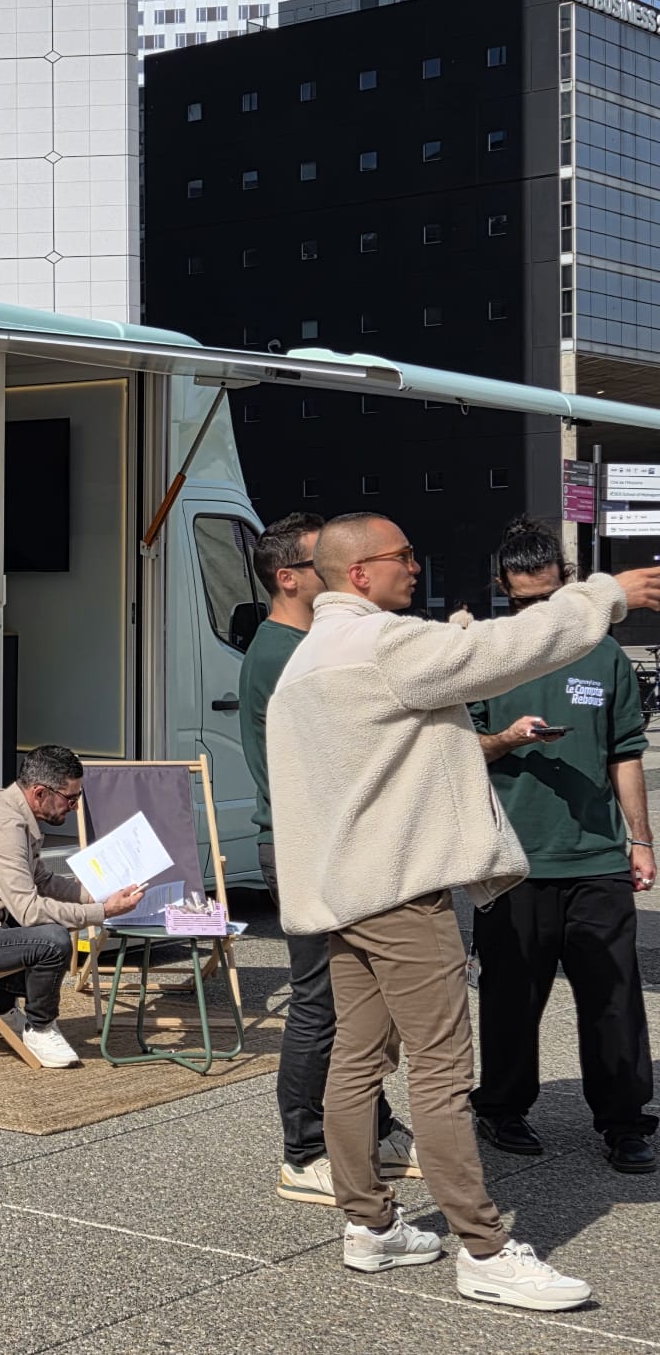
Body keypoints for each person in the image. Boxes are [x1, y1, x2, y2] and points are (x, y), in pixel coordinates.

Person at [267, 511, 660, 1311]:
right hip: (402, 894)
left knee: (356, 1062)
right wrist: (602, 596)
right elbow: (502, 649)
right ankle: (483, 1247)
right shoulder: (384, 647)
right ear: (361, 574)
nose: (417, 565)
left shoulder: (310, 660)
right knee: (443, 1074)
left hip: (341, 894)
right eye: (403, 555)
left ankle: (370, 1228)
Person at [466, 519, 658, 1175]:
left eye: (547, 600)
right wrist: (507, 739)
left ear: (567, 587)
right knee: (511, 995)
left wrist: (641, 839)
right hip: (512, 858)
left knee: (612, 995)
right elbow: (458, 749)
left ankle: (626, 1121)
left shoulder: (602, 652)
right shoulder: (485, 652)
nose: (537, 613)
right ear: (501, 590)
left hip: (596, 855)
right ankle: (501, 1109)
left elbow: (624, 752)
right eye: (522, 603)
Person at [239, 512, 416, 1205]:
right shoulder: (286, 653)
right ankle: (304, 1149)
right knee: (321, 1001)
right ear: (289, 579)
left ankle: (370, 1125)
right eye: (326, 565)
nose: (345, 574)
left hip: (325, 841)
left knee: (358, 998)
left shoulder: (304, 643)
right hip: (304, 844)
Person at [0, 743, 146, 1068]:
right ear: (39, 793)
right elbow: (30, 911)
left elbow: (42, 882)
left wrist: (97, 894)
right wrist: (103, 912)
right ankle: (40, 1028)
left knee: (34, 930)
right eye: (70, 798)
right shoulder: (3, 828)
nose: (75, 807)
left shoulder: (11, 809)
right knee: (53, 940)